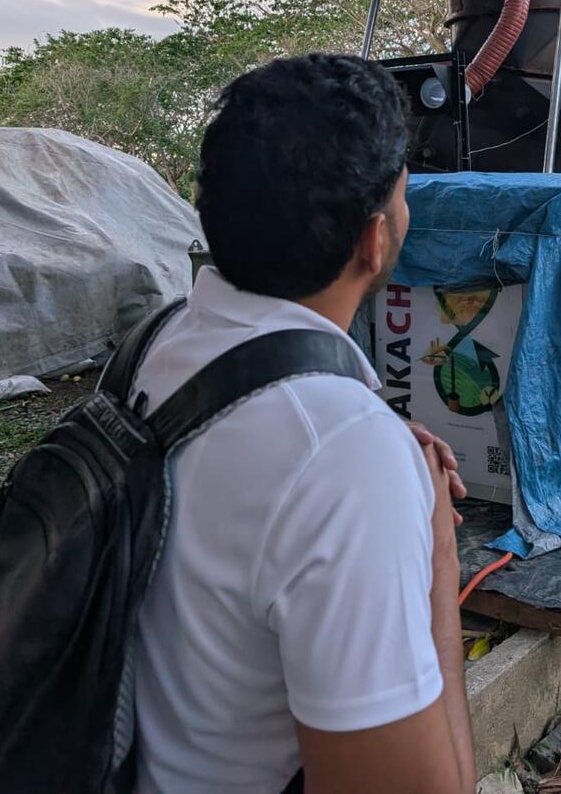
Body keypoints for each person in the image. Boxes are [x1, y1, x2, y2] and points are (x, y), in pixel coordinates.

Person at [130, 53, 476, 794]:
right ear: (374, 240)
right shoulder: (344, 455)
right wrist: (439, 556)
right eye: (403, 197)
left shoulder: (159, 346)